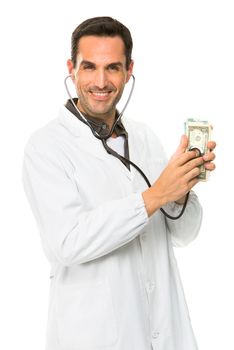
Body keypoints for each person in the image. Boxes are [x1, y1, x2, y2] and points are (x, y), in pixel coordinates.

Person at [22, 16, 216, 350]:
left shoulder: (144, 137)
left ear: (129, 70)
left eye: (112, 67)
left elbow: (184, 235)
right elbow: (67, 242)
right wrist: (155, 195)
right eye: (89, 67)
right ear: (72, 68)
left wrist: (180, 191)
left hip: (166, 332)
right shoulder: (45, 147)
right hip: (94, 337)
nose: (101, 81)